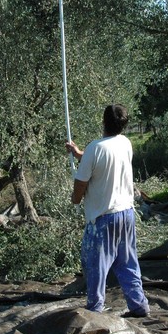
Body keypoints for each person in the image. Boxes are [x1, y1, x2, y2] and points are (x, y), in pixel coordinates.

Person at [65, 104, 150, 317]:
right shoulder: (125, 143)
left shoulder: (95, 147)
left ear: (103, 122)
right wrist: (78, 154)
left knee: (95, 265)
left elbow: (81, 182)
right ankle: (139, 306)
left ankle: (94, 311)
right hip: (126, 214)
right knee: (127, 262)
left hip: (104, 218)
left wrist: (75, 199)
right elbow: (104, 160)